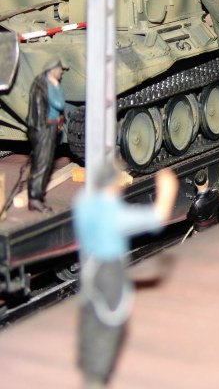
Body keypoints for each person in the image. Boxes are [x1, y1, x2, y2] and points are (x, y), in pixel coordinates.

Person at [72, 166, 178, 388]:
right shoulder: (112, 213)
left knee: (91, 315)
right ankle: (96, 378)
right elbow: (158, 217)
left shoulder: (83, 203)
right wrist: (168, 190)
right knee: (111, 322)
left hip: (89, 266)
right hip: (109, 270)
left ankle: (87, 365)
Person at [26, 58, 67, 213]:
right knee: (42, 164)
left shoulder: (46, 83)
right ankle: (34, 198)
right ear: (52, 70)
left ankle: (36, 196)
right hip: (43, 128)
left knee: (46, 163)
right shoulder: (45, 86)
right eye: (59, 69)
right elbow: (59, 104)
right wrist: (56, 86)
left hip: (49, 127)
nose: (62, 71)